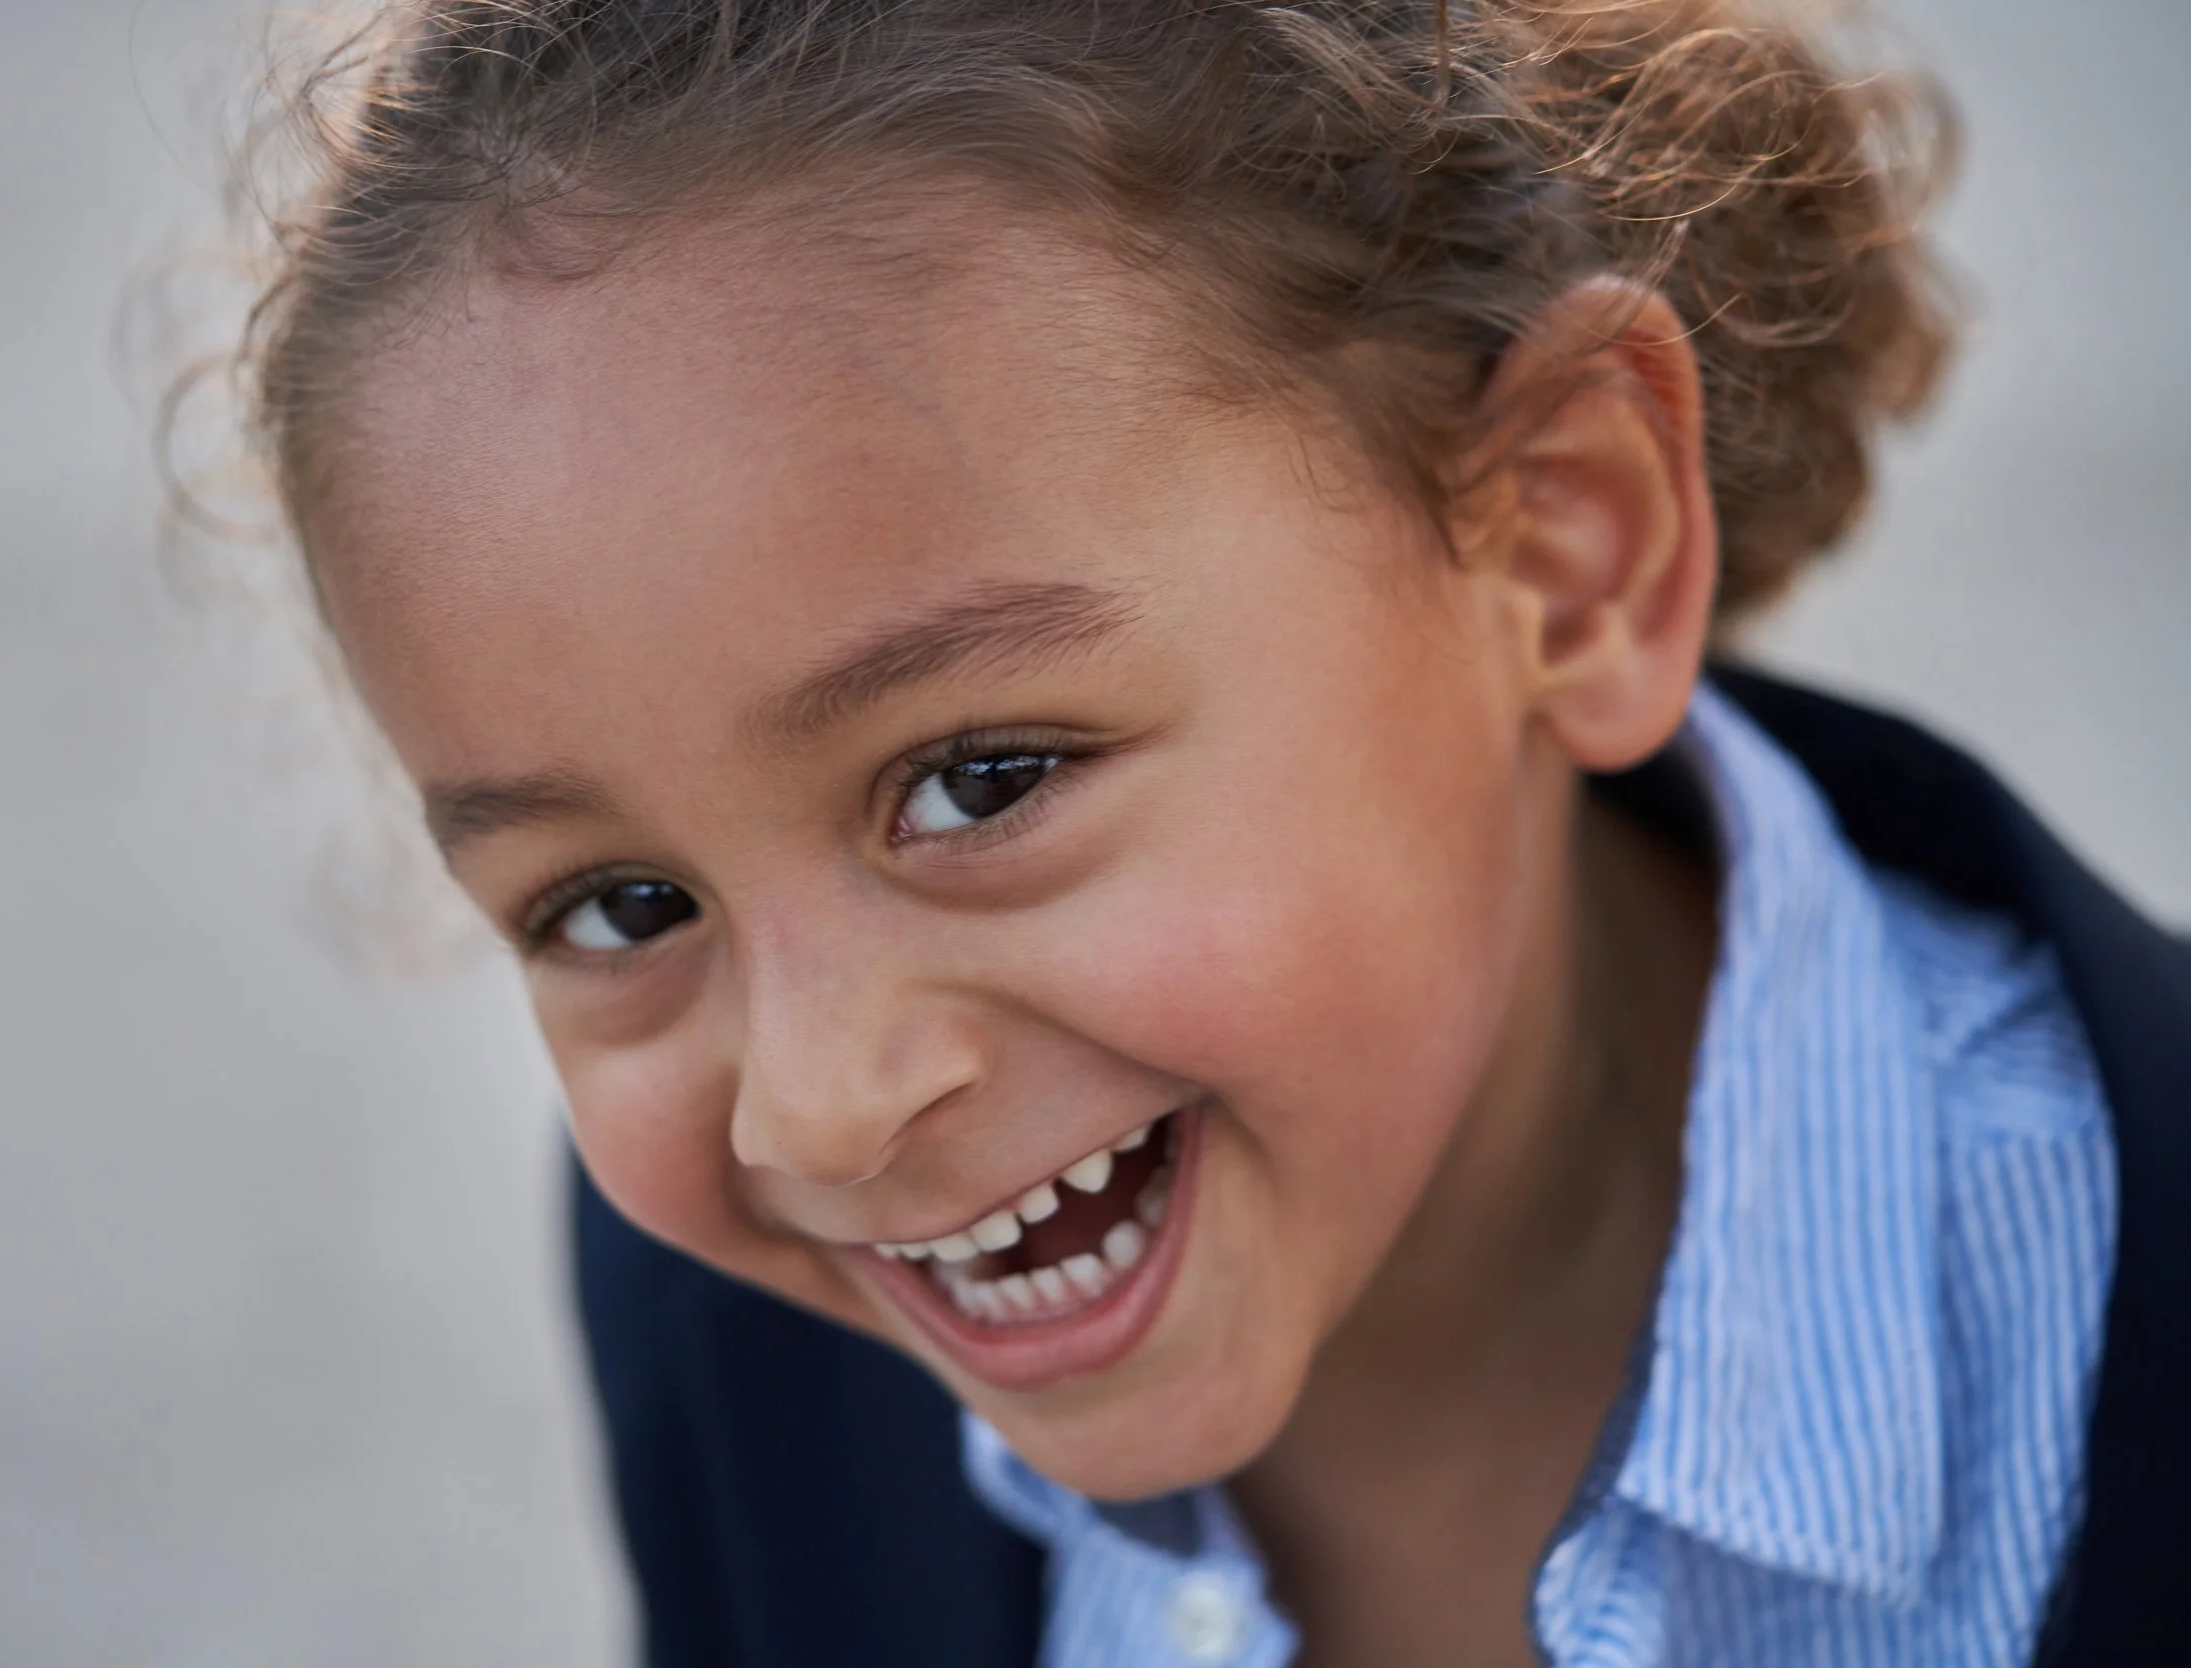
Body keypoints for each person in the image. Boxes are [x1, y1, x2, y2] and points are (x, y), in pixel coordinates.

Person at [220, 2, 2190, 1662]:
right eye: (618, 902)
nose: (814, 1114)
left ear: (1567, 553)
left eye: (979, 781)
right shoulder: (753, 1359)